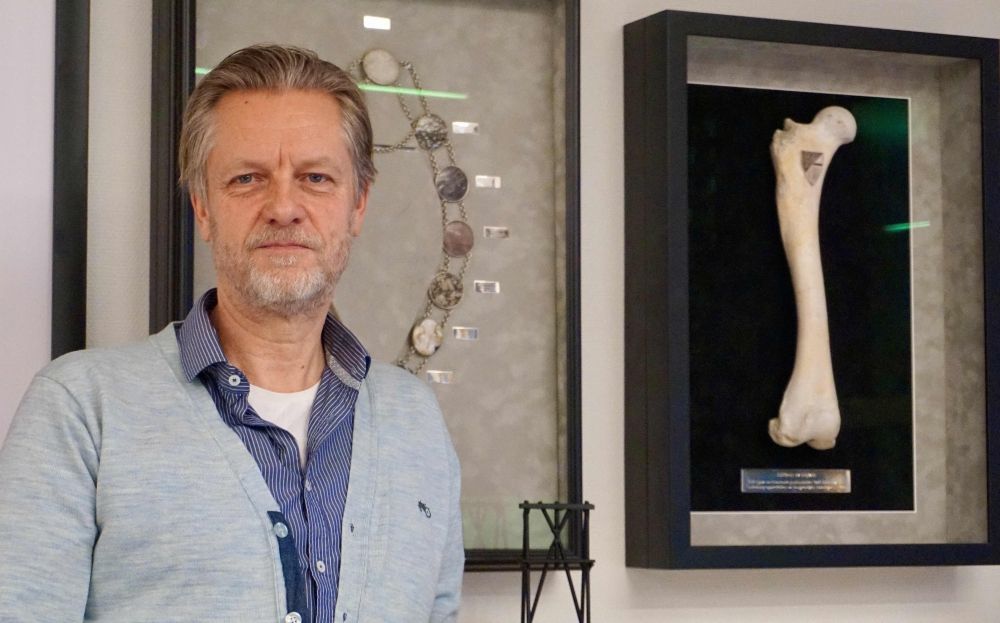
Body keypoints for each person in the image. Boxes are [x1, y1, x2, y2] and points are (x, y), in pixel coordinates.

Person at [0, 44, 463, 623]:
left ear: (358, 205)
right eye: (248, 178)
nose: (284, 206)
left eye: (316, 178)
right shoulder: (81, 410)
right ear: (203, 208)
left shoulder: (416, 423)